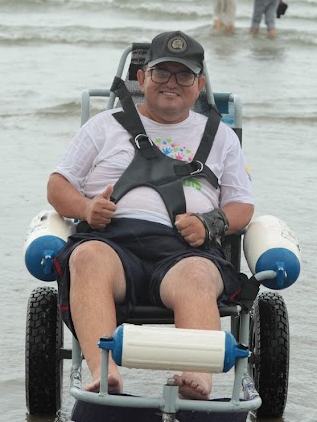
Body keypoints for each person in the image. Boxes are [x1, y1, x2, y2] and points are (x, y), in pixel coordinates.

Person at [47, 31, 254, 399]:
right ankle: (105, 373)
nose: (171, 83)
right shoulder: (103, 126)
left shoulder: (221, 136)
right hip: (110, 243)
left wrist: (211, 223)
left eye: (183, 75)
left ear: (199, 84)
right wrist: (86, 208)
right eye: (161, 73)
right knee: (88, 257)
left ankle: (196, 379)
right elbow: (58, 186)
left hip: (184, 252)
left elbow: (242, 206)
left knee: (197, 275)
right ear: (142, 79)